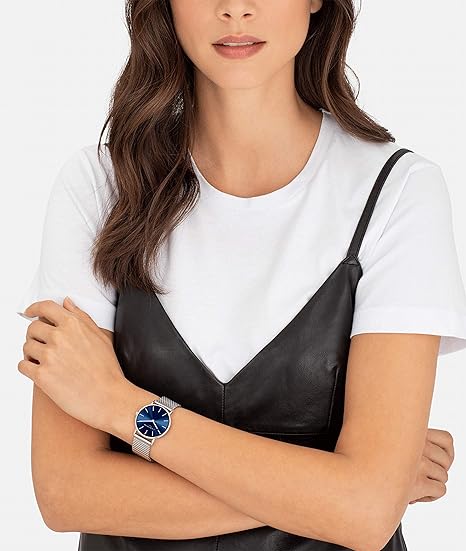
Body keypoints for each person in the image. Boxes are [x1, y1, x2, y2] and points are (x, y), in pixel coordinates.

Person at [16, 1, 465, 550]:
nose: (235, 9)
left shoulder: (397, 191)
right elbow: (66, 493)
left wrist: (118, 404)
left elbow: (368, 514)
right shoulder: (99, 186)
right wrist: (337, 491)